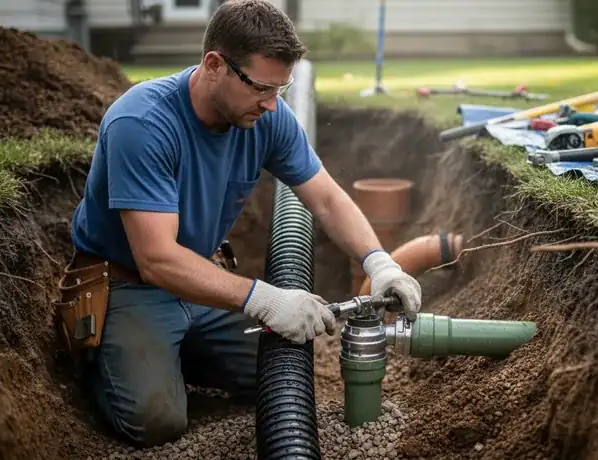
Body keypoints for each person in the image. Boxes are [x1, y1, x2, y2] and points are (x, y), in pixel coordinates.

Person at [58, 0, 422, 447]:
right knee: (155, 421)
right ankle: (107, 364)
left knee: (283, 369)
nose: (272, 106)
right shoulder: (143, 124)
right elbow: (155, 260)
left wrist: (379, 262)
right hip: (131, 286)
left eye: (281, 91)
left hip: (199, 281)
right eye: (262, 89)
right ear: (214, 65)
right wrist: (266, 300)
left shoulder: (265, 117)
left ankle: (173, 355)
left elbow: (325, 197)